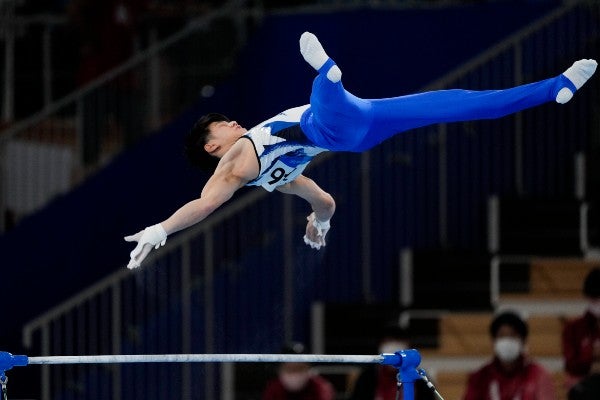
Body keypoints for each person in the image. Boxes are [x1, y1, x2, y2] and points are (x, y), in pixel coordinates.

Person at [124, 31, 597, 269]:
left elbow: (325, 201)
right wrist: (162, 228)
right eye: (221, 126)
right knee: (322, 103)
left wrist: (321, 226)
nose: (232, 123)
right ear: (212, 147)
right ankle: (326, 72)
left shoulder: (274, 180)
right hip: (333, 126)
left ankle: (554, 89)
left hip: (363, 125)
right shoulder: (233, 162)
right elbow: (206, 203)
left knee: (456, 105)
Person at [463, 311, 556, 400]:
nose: (507, 340)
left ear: (523, 341)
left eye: (512, 335)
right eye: (502, 336)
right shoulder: (480, 378)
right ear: (493, 342)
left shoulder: (538, 375)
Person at [349, 324, 435, 400]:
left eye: (398, 341)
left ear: (408, 346)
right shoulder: (366, 378)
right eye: (389, 341)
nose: (393, 347)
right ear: (380, 346)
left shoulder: (420, 379)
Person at [562, 267, 600, 390]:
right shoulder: (573, 329)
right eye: (596, 298)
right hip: (583, 388)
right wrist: (591, 357)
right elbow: (570, 365)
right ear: (588, 297)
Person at [262, 342, 336, 400]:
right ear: (279, 370)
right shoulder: (273, 389)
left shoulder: (321, 388)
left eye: (299, 368)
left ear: (308, 368)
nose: (294, 373)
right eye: (289, 368)